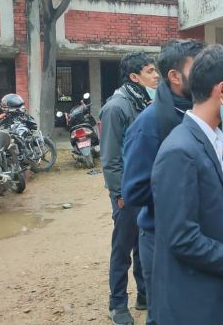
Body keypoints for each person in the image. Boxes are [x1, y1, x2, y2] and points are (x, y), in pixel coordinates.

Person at [149, 45, 223, 324]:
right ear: (222, 90)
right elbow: (183, 237)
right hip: (189, 303)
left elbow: (221, 212)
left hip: (209, 292)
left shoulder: (213, 139)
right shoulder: (180, 151)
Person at [121, 39, 204, 324]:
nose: (207, 76)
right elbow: (134, 190)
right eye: (198, 69)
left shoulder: (198, 114)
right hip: (162, 236)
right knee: (165, 314)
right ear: (175, 76)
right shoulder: (149, 123)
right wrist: (187, 184)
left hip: (196, 235)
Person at [100, 52, 159, 325]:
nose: (156, 76)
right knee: (123, 248)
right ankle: (117, 304)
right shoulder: (116, 107)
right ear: (135, 77)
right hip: (126, 192)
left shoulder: (144, 101)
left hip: (144, 188)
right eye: (150, 71)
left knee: (142, 244)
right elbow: (110, 158)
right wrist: (119, 194)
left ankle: (144, 294)